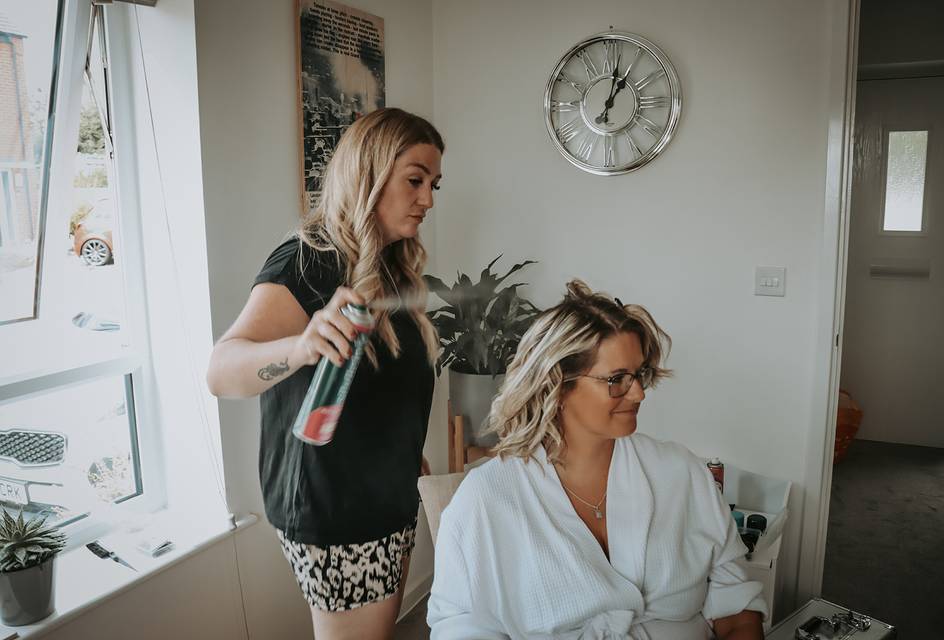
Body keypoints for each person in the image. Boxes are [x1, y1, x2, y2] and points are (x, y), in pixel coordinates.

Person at [207, 108, 443, 640]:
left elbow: (384, 385)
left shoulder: (389, 265)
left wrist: (409, 452)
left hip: (387, 491)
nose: (428, 199)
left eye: (433, 183)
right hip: (337, 508)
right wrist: (299, 345)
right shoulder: (306, 261)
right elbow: (221, 372)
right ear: (369, 173)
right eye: (414, 180)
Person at [427, 280, 767, 640]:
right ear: (557, 386)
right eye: (616, 379)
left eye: (638, 375)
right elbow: (461, 628)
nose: (638, 393)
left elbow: (736, 601)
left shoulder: (681, 473)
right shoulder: (486, 500)